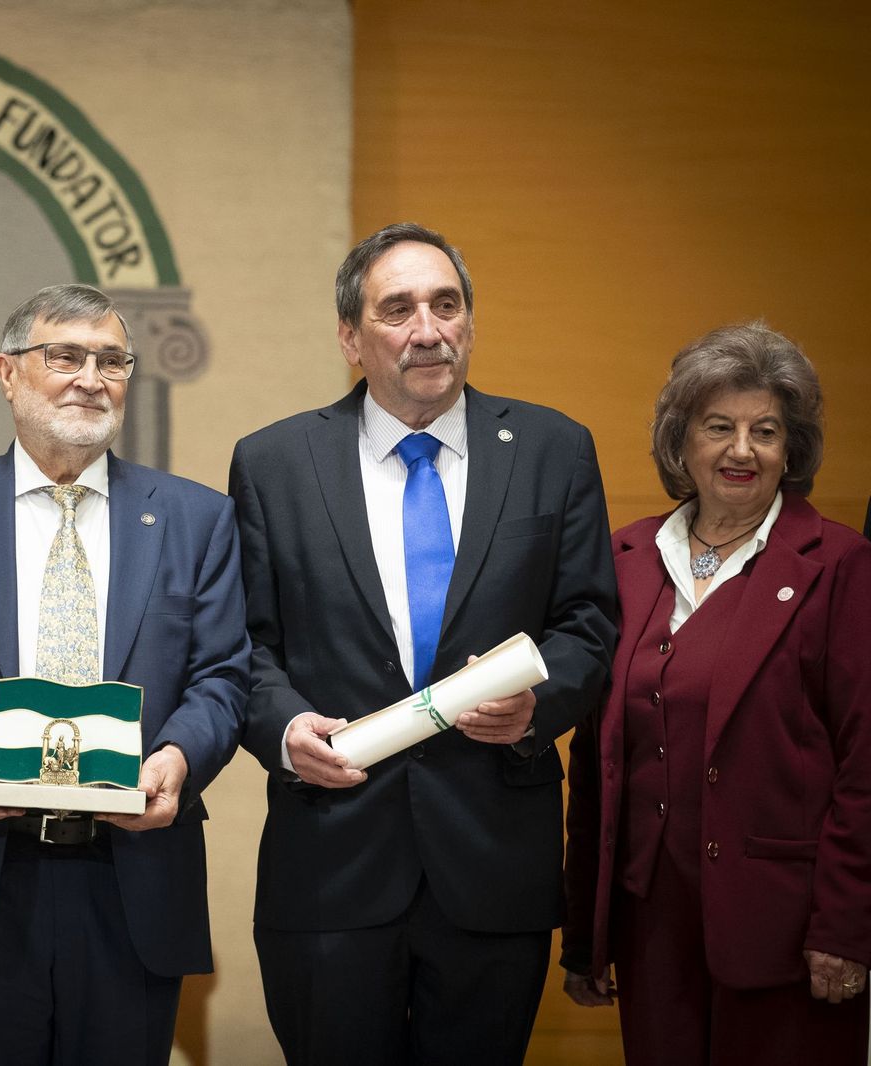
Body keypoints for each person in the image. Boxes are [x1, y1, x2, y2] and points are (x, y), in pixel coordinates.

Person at [228, 222, 617, 1066]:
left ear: (470, 323)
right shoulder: (274, 464)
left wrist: (533, 709)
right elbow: (245, 648)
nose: (428, 329)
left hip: (492, 870)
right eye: (397, 309)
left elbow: (589, 623)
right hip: (329, 866)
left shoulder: (554, 450)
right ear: (349, 336)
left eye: (447, 305)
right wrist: (285, 732)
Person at [0, 283, 249, 1065]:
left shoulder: (195, 519)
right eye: (64, 356)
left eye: (111, 360)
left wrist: (178, 759)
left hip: (133, 874)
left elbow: (224, 678)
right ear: (8, 372)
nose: (90, 378)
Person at [561, 323, 870, 1064]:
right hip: (651, 927)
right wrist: (587, 931)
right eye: (719, 427)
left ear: (791, 449)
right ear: (681, 442)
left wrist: (846, 928)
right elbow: (599, 759)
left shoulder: (839, 563)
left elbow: (866, 764)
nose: (742, 450)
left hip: (788, 932)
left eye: (766, 430)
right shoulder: (626, 557)